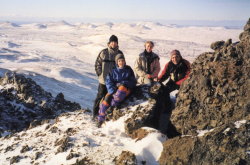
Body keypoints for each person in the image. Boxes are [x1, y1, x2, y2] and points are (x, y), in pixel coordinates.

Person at [97, 54, 136, 127]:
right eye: (119, 61)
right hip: (114, 90)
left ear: (125, 61)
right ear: (116, 62)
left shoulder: (128, 69)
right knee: (106, 99)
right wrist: (113, 90)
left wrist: (122, 84)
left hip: (125, 89)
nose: (121, 62)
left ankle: (112, 106)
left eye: (122, 61)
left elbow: (133, 81)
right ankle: (100, 119)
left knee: (121, 89)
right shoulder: (112, 70)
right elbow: (108, 81)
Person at [93, 35, 123, 120]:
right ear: (109, 43)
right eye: (112, 42)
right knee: (100, 97)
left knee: (112, 98)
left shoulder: (120, 53)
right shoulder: (104, 52)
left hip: (114, 81)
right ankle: (95, 115)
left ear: (117, 43)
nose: (113, 43)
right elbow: (97, 64)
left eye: (115, 42)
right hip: (103, 81)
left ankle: (108, 115)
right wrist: (100, 74)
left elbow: (122, 66)